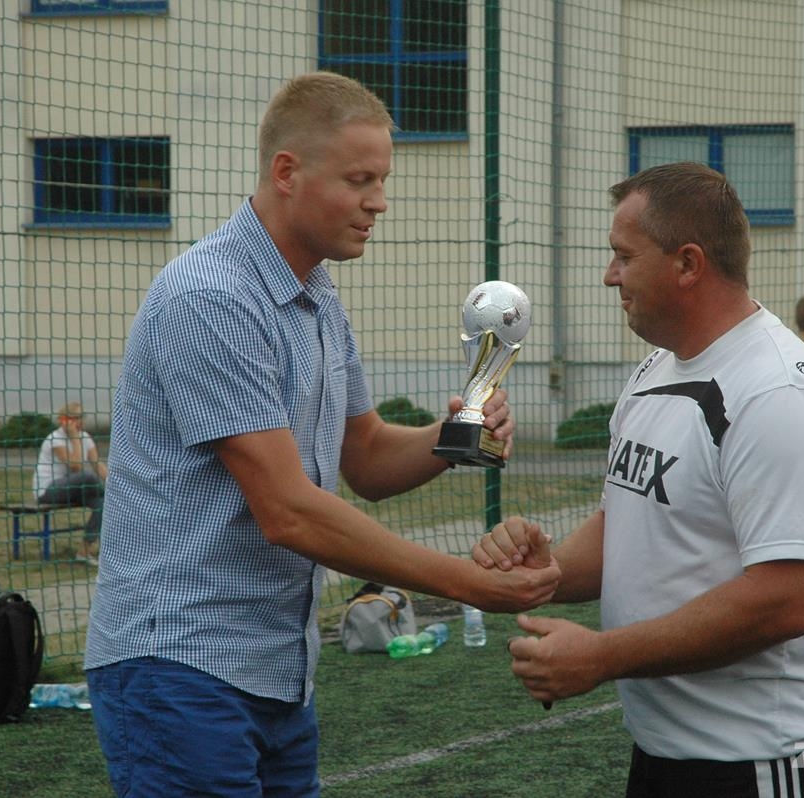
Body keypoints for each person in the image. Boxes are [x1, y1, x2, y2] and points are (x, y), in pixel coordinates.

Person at [83, 71, 560, 798]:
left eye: (382, 180)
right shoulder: (209, 297)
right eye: (359, 179)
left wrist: (457, 433)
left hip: (277, 671)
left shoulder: (316, 296)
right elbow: (288, 510)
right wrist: (467, 583)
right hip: (179, 666)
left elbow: (364, 455)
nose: (379, 201)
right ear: (287, 173)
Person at [473, 162, 804, 797]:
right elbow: (625, 524)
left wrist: (600, 656)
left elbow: (784, 600)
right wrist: (547, 573)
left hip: (771, 755)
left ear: (687, 264)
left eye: (624, 256)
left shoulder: (778, 393)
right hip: (667, 749)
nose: (610, 275)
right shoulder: (656, 369)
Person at [32, 401, 106, 565]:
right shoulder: (55, 439)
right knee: (87, 476)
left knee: (103, 503)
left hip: (74, 489)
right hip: (49, 490)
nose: (80, 422)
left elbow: (97, 464)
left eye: (81, 417)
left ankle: (84, 552)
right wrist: (74, 438)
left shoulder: (85, 437)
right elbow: (76, 466)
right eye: (75, 418)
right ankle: (109, 493)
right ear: (64, 420)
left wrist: (115, 485)